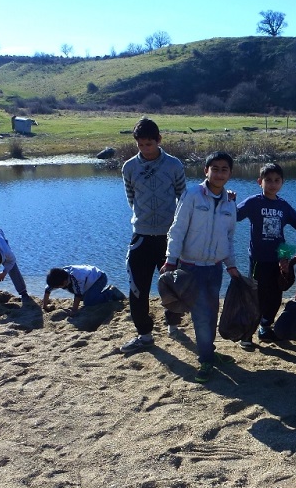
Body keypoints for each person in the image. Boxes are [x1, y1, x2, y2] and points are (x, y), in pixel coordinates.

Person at [163, 151, 240, 382]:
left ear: (230, 173)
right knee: (200, 315)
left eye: (224, 169)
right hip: (190, 268)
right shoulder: (192, 195)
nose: (219, 173)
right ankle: (206, 360)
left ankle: (209, 352)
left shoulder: (230, 202)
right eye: (214, 168)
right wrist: (170, 259)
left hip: (214, 269)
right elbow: (177, 230)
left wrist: (231, 266)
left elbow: (228, 238)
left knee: (211, 312)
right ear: (206, 170)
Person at [236, 162, 296, 350]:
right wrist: (225, 201)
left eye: (277, 180)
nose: (272, 184)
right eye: (268, 180)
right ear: (260, 182)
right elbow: (233, 215)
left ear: (282, 182)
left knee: (275, 296)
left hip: (279, 259)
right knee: (256, 296)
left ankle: (265, 327)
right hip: (258, 259)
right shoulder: (253, 202)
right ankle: (247, 335)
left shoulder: (283, 206)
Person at [120, 117, 187, 354]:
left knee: (174, 286)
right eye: (140, 145)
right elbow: (131, 199)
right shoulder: (129, 167)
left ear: (159, 140)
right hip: (141, 236)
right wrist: (145, 220)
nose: (145, 149)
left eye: (149, 144)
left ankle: (173, 324)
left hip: (170, 238)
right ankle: (145, 335)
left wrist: (176, 229)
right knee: (137, 288)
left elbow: (184, 199)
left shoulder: (174, 165)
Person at [41, 265, 125, 316]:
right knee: (82, 296)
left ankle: (111, 292)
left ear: (64, 281)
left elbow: (78, 294)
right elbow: (47, 290)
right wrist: (45, 306)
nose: (59, 288)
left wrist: (74, 311)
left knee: (89, 302)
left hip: (99, 278)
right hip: (87, 282)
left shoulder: (76, 277)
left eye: (60, 286)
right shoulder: (57, 277)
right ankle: (91, 294)